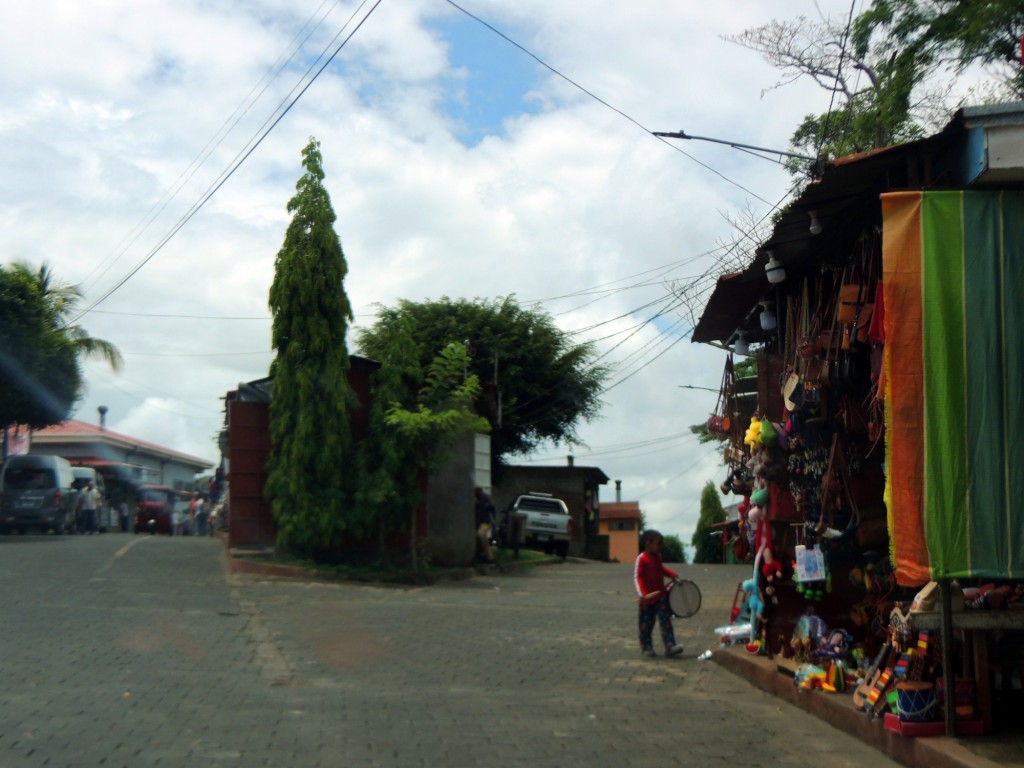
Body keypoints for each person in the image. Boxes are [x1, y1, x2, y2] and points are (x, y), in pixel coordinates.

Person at [633, 529, 684, 658]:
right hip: (646, 599)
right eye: (658, 543)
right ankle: (646, 647)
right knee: (646, 625)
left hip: (660, 596)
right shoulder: (642, 559)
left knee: (665, 620)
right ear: (648, 543)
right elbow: (637, 577)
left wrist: (672, 575)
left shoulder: (657, 558)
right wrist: (642, 593)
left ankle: (670, 646)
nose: (660, 546)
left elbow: (660, 569)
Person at [474, 487, 496, 564]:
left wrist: (482, 505)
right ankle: (486, 556)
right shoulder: (476, 498)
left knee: (481, 534)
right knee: (481, 537)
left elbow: (492, 506)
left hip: (486, 521)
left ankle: (488, 556)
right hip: (479, 521)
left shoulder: (484, 497)